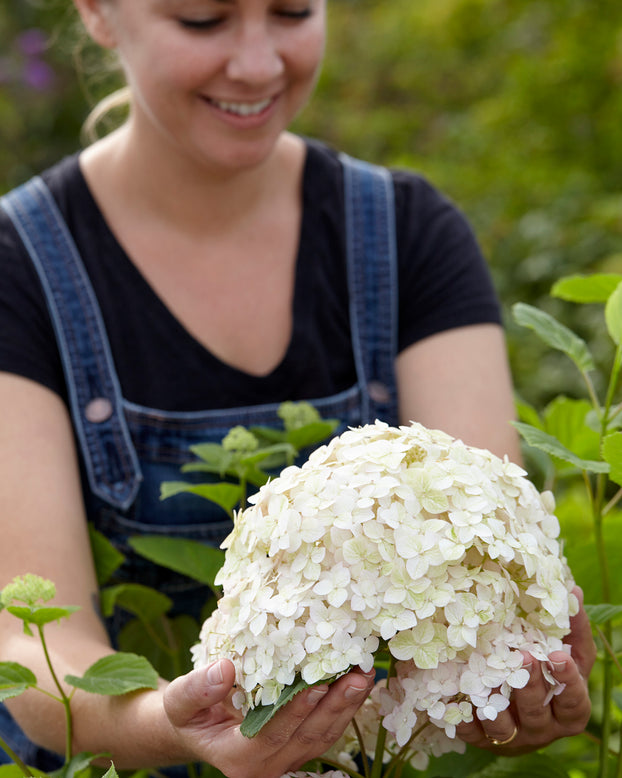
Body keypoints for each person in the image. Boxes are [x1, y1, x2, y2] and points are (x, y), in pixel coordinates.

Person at [0, 1, 595, 777]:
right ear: (99, 14)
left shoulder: (411, 237)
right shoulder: (20, 270)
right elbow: (31, 646)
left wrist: (498, 683)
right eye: (202, 19)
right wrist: (171, 724)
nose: (257, 63)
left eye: (291, 11)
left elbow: (483, 547)